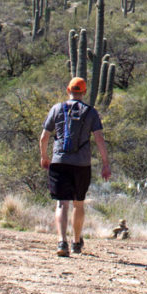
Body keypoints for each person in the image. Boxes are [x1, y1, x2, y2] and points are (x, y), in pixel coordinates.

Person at [40, 77, 111, 257]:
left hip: (59, 161)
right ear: (84, 92)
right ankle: (76, 242)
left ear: (68, 90)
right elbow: (99, 139)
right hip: (82, 164)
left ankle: (61, 242)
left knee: (62, 203)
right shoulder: (91, 112)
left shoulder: (56, 109)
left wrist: (45, 157)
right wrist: (105, 164)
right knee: (78, 203)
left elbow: (44, 138)